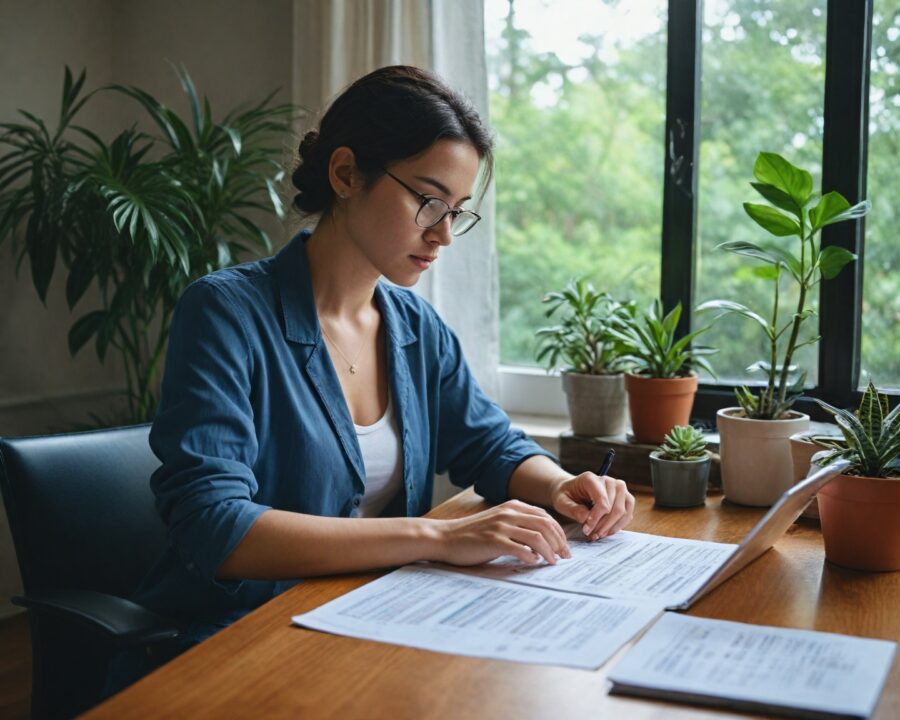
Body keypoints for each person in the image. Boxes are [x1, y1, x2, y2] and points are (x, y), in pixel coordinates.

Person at [107, 65, 634, 693]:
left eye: (457, 212)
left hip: (375, 622)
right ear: (346, 174)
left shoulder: (415, 326)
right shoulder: (226, 313)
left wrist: (561, 485)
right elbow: (216, 527)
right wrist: (438, 536)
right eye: (428, 202)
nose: (443, 234)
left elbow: (489, 444)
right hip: (240, 637)